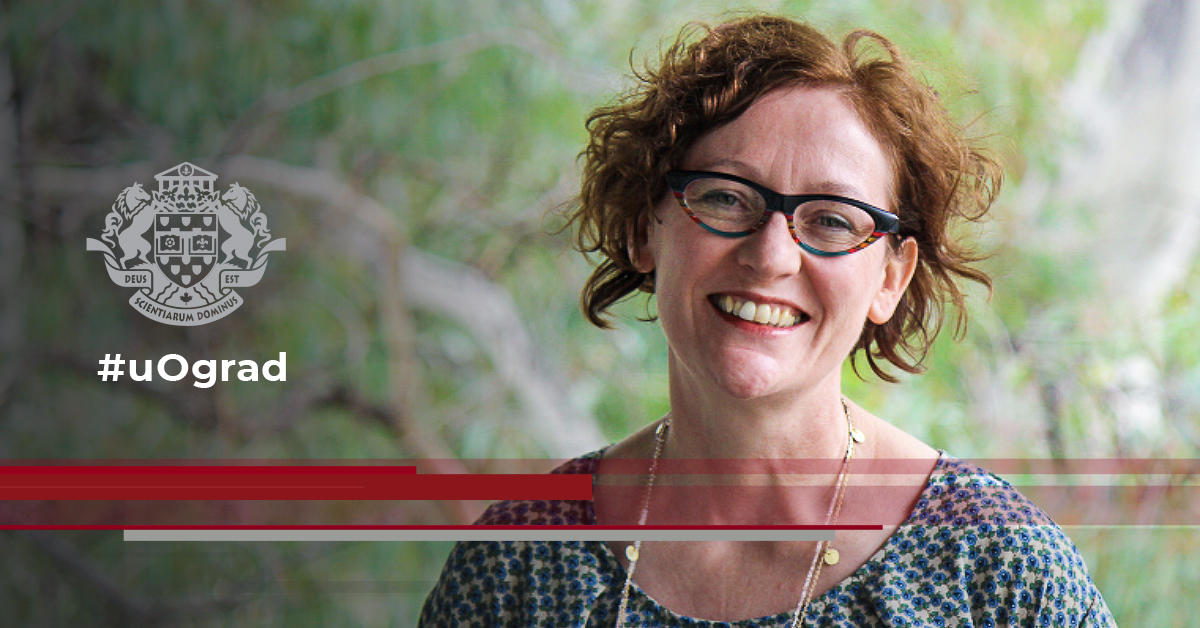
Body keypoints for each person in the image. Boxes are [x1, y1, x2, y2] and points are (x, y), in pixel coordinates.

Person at [420, 15, 1115, 627]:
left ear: (890, 278)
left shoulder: (997, 568)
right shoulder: (517, 563)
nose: (771, 255)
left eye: (833, 219)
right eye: (726, 198)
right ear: (643, 226)